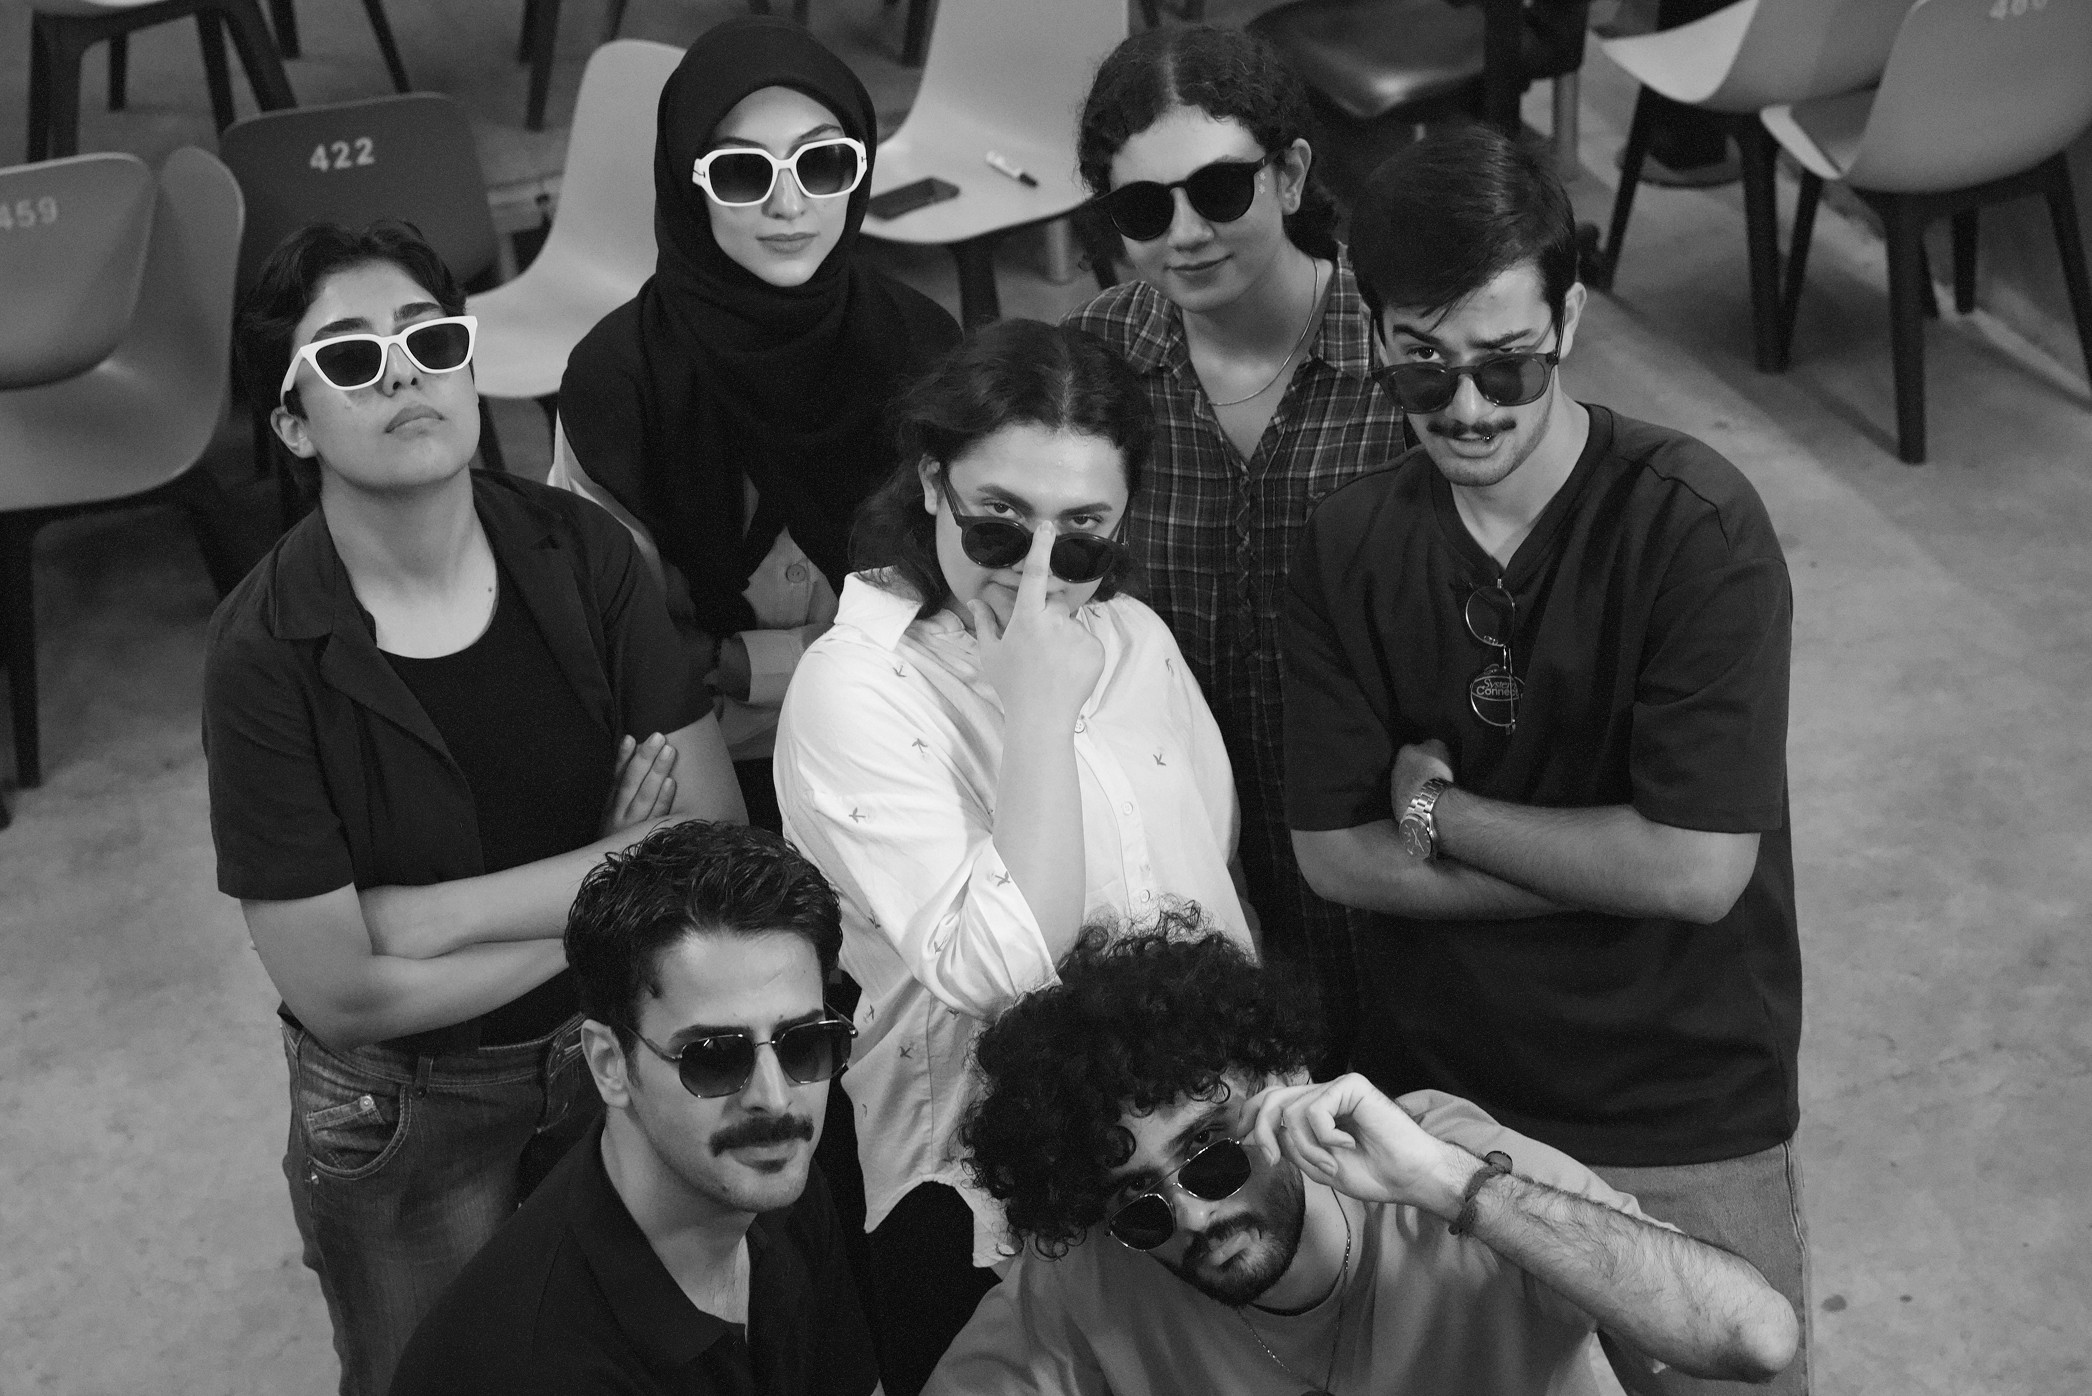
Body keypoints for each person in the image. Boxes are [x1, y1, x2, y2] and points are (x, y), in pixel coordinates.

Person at [1282, 124, 1806, 1395]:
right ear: (1374, 335)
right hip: (1445, 1108)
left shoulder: (1692, 527)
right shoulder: (1347, 543)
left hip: (1679, 1107)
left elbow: (1694, 873)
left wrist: (1439, 813)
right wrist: (1604, 865)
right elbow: (1333, 857)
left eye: (1506, 364)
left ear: (1568, 319)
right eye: (1423, 367)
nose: (1466, 407)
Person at [204, 221, 745, 1396]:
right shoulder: (262, 655)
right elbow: (342, 993)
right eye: (351, 357)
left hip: (611, 1045)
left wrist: (430, 917)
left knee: (636, 1363)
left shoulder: (585, 554)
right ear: (292, 423)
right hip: (407, 1108)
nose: (403, 373)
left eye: (430, 340)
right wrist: (616, 876)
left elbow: (710, 840)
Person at [774, 319, 1255, 1395]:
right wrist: (1035, 711)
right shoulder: (856, 687)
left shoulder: (1134, 639)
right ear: (931, 483)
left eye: (1082, 536)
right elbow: (1000, 970)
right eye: (999, 526)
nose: (1038, 574)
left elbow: (1211, 889)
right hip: (984, 1197)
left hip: (1196, 1159)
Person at [929, 925, 1799, 1395]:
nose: (1191, 1215)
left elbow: (1755, 1338)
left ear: (1285, 1084)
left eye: (1208, 1155)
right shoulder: (1097, 1271)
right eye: (1141, 1203)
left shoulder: (1449, 1163)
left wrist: (1451, 1186)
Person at [1063, 25, 1405, 1064]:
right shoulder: (1101, 358)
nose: (1185, 234)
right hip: (1188, 867)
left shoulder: (1402, 357)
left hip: (1385, 851)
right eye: (1142, 208)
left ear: (1291, 173)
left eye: (1218, 189)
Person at [555, 15, 962, 828]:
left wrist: (756, 663)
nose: (788, 204)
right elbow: (626, 643)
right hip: (698, 751)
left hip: (906, 722)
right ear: (687, 183)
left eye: (822, 163)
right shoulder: (618, 381)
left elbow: (959, 585)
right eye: (743, 172)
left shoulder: (921, 347)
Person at [387, 821, 880, 1396]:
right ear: (609, 1064)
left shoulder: (776, 1184)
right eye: (715, 1058)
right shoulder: (529, 1367)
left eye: (804, 1045)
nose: (774, 1098)